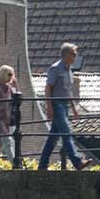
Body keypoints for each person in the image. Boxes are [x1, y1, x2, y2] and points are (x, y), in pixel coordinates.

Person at [37, 43, 87, 171]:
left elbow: (68, 90)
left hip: (64, 105)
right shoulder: (55, 69)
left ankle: (42, 165)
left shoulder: (68, 70)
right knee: (66, 132)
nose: (75, 57)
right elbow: (48, 88)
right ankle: (77, 161)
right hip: (56, 103)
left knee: (53, 137)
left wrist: (73, 107)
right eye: (74, 54)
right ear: (66, 54)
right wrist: (49, 107)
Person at [0, 65, 21, 164]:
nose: (11, 77)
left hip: (7, 120)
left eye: (12, 75)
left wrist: (16, 85)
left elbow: (18, 98)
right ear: (3, 74)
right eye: (9, 74)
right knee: (8, 142)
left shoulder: (8, 88)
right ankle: (16, 165)